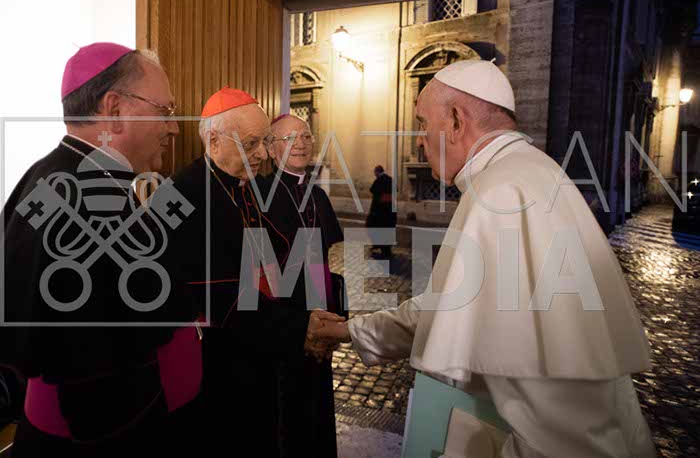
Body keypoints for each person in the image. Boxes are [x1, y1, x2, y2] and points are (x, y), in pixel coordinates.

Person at [312, 60, 656, 457]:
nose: (420, 140)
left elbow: (559, 432)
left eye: (423, 123)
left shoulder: (501, 193)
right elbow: (449, 306)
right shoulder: (527, 171)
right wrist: (351, 331)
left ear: (456, 121)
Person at [1, 43, 201, 457]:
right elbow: (90, 370)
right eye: (165, 111)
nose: (174, 128)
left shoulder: (58, 175)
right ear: (114, 109)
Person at [164, 88, 343, 457]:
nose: (263, 154)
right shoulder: (181, 192)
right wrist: (300, 329)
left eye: (264, 142)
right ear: (214, 139)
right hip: (216, 364)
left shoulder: (242, 188)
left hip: (256, 348)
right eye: (251, 144)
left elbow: (272, 265)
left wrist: (309, 314)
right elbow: (220, 298)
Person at [261, 114, 344, 457]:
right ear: (271, 149)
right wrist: (299, 325)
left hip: (319, 314)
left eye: (307, 136)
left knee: (317, 407)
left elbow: (327, 263)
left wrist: (332, 318)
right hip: (284, 324)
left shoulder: (318, 197)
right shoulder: (259, 196)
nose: (302, 143)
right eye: (290, 138)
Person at [366, 165, 396, 259]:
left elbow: (372, 190)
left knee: (374, 227)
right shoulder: (390, 179)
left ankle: (382, 248)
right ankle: (385, 249)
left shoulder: (378, 181)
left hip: (380, 211)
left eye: (375, 173)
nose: (374, 174)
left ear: (377, 172)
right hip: (390, 210)